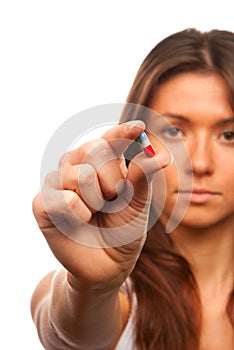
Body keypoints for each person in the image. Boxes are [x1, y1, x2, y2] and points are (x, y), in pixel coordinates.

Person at [31, 28, 234, 350]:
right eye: (174, 130)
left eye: (229, 135)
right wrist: (93, 288)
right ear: (136, 142)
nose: (199, 163)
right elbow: (66, 332)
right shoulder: (114, 292)